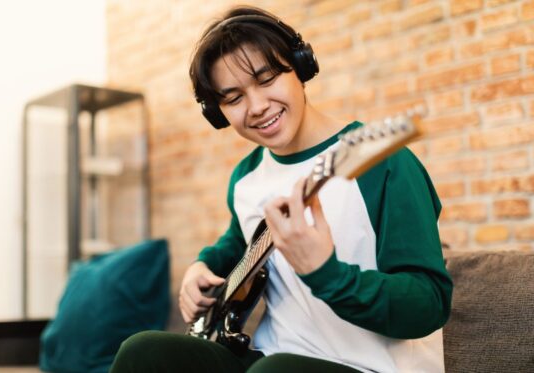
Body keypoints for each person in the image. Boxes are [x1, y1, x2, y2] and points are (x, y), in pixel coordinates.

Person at [110, 5, 453, 373]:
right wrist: (202, 265)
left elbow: (428, 305)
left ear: (300, 66)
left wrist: (326, 273)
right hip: (271, 360)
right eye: (233, 97)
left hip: (373, 368)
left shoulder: (382, 161)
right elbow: (238, 240)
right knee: (142, 351)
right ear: (217, 112)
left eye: (267, 78)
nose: (256, 106)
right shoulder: (247, 175)